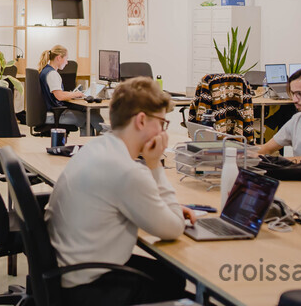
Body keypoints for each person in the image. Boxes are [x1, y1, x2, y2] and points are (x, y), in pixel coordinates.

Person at [45, 77, 195, 305]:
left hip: (66, 272)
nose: (162, 132)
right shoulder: (127, 171)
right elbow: (173, 229)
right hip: (87, 289)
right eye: (162, 123)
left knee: (169, 274)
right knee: (174, 283)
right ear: (141, 120)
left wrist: (160, 207)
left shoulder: (96, 148)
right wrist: (155, 164)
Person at [38, 45, 103, 135]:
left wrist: (71, 94)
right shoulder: (52, 74)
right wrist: (75, 94)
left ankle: (104, 132)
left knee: (88, 115)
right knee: (88, 118)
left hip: (50, 112)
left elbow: (57, 93)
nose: (67, 62)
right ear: (59, 58)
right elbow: (59, 96)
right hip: (53, 115)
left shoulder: (46, 70)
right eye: (66, 58)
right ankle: (106, 131)